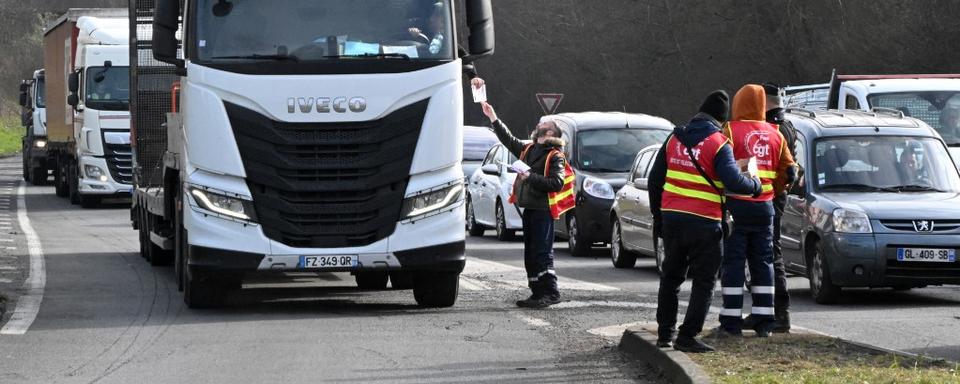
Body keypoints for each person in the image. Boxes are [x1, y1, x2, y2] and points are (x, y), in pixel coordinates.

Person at [648, 90, 762, 353]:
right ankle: (687, 336)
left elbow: (655, 180)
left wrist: (659, 216)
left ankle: (665, 334)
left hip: (672, 220)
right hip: (704, 223)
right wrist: (754, 185)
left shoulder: (674, 138)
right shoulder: (719, 143)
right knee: (704, 281)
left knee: (671, 278)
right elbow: (733, 181)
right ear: (721, 121)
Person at [473, 77, 575, 309]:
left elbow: (556, 183)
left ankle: (550, 292)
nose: (541, 126)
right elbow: (508, 140)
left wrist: (529, 176)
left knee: (541, 252)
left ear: (552, 134)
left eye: (546, 126)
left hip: (543, 210)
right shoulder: (530, 148)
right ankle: (536, 292)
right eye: (541, 125)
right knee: (531, 252)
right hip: (530, 208)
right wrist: (493, 117)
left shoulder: (554, 155)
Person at [717, 84, 797, 338]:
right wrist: (769, 190)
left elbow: (717, 164)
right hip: (765, 207)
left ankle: (731, 322)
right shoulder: (776, 134)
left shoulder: (729, 130)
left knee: (734, 263)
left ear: (739, 103)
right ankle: (765, 321)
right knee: (763, 262)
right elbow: (789, 171)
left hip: (736, 206)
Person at [743, 83, 798, 333]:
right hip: (773, 196)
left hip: (769, 197)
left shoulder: (774, 128)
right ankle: (763, 312)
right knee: (763, 253)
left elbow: (781, 170)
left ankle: (778, 314)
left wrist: (767, 192)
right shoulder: (787, 125)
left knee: (769, 254)